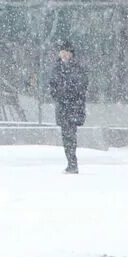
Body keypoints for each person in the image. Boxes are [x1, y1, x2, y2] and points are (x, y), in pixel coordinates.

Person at [49, 42, 88, 174]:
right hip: (63, 107)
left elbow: (81, 86)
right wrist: (57, 95)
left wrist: (66, 94)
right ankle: (71, 162)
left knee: (70, 135)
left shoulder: (77, 68)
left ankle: (72, 163)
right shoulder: (57, 68)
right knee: (66, 136)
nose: (64, 55)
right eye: (62, 52)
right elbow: (52, 85)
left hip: (73, 107)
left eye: (66, 52)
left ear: (71, 54)